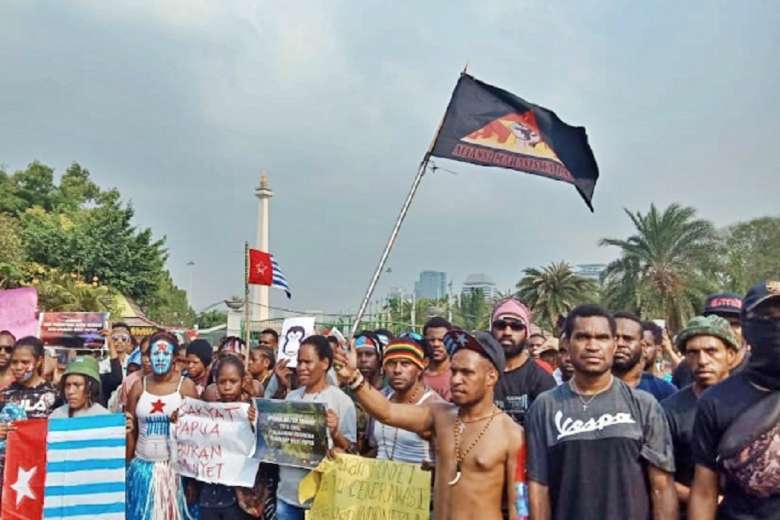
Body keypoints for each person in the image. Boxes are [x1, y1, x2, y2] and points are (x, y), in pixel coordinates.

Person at [334, 329, 525, 520]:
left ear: (491, 377)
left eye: (467, 372)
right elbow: (387, 412)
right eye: (454, 371)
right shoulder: (439, 415)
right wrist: (353, 377)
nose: (456, 380)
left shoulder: (512, 435)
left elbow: (520, 507)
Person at [527, 304, 677, 520]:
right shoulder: (545, 407)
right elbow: (538, 487)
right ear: (567, 344)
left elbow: (661, 488)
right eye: (582, 337)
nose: (592, 346)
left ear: (614, 344)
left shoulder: (644, 405)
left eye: (602, 337)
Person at [689, 281, 780, 519]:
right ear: (748, 329)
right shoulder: (716, 401)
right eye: (767, 318)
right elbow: (704, 491)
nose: (777, 326)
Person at [661, 315, 738, 515]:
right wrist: (707, 499)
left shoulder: (754, 404)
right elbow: (660, 478)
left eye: (711, 351)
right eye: (693, 353)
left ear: (730, 354)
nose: (702, 361)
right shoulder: (669, 410)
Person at [275, 335, 356, 520]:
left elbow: (352, 451)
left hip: (322, 499)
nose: (301, 368)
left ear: (325, 363)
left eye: (308, 362)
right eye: (299, 362)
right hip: (287, 495)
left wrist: (335, 433)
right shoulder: (291, 398)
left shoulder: (342, 401)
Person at [126, 331, 199, 520]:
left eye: (165, 354)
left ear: (174, 358)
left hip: (175, 473)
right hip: (142, 470)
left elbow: (197, 435)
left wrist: (191, 480)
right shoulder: (138, 386)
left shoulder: (186, 387)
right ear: (148, 357)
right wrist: (127, 465)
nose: (160, 359)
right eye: (155, 354)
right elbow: (129, 429)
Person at [196, 356, 259, 520]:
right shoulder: (208, 413)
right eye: (222, 382)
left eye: (233, 381)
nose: (227, 387)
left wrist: (256, 423)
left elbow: (263, 448)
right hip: (210, 496)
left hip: (240, 498)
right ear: (215, 383)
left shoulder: (251, 411)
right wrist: (178, 423)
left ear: (242, 382)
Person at [369, 337, 444, 464]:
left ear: (419, 369)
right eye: (392, 363)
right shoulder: (380, 399)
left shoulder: (434, 405)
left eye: (405, 364)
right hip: (380, 480)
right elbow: (377, 448)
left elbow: (445, 462)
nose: (397, 370)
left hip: (419, 482)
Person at [491, 297, 556, 425]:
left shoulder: (541, 380)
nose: (507, 332)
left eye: (516, 326)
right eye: (500, 325)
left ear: (526, 333)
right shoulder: (478, 375)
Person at [672, 293, 746, 388]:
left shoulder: (759, 370)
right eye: (717, 322)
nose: (726, 328)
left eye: (734, 324)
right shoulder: (686, 368)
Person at [613, 312, 677, 401]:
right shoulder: (590, 388)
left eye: (627, 339)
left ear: (642, 346)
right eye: (614, 338)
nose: (620, 344)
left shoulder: (665, 391)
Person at [422, 317, 453, 401]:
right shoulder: (417, 375)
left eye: (441, 340)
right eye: (432, 340)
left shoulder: (457, 374)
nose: (436, 344)